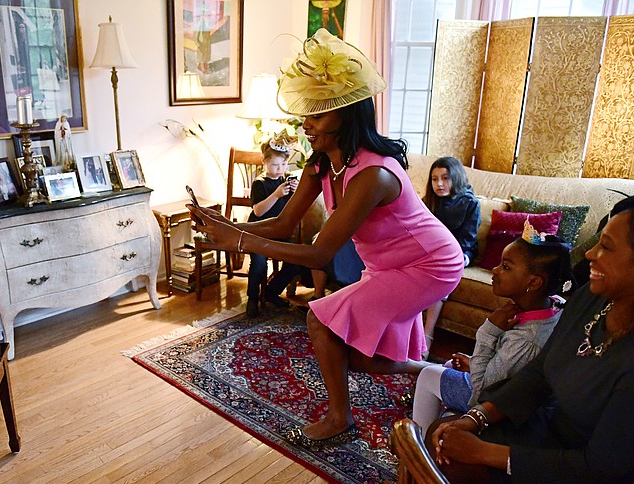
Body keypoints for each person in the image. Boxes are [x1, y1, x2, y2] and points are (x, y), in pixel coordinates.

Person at [188, 28, 464, 446]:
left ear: (346, 114)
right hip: (389, 264)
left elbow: (319, 254)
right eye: (307, 114)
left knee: (320, 319)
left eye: (317, 115)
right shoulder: (321, 164)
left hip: (430, 262)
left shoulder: (374, 174)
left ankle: (340, 418)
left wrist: (240, 242)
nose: (305, 125)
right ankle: (440, 376)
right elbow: (281, 226)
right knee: (360, 356)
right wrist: (229, 228)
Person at [430, 190, 634, 484]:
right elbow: (540, 372)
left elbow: (600, 467)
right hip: (545, 433)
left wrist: (484, 453)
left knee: (454, 469)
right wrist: (477, 418)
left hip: (584, 483)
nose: (590, 253)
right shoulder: (589, 300)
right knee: (443, 433)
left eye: (606, 246)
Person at [412, 220, 574, 436]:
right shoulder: (553, 303)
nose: (495, 271)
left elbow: (482, 392)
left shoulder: (526, 339)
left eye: (506, 267)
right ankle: (448, 415)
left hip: (499, 403)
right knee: (451, 364)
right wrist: (474, 362)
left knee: (428, 375)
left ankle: (419, 450)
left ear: (533, 283)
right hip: (504, 384)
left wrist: (489, 330)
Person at [421, 156, 481, 357]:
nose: (439, 184)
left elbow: (468, 240)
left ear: (455, 177)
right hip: (430, 253)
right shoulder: (429, 202)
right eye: (435, 179)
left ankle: (426, 335)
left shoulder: (470, 203)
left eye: (445, 178)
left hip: (461, 252)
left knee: (439, 271)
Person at [245, 131, 302, 317]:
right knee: (259, 263)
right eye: (275, 165)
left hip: (279, 231)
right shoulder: (260, 183)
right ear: (265, 162)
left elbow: (293, 209)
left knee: (296, 260)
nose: (280, 169)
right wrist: (276, 194)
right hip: (259, 232)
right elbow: (258, 211)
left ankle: (270, 292)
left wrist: (296, 192)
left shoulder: (285, 180)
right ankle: (252, 298)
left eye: (284, 164)